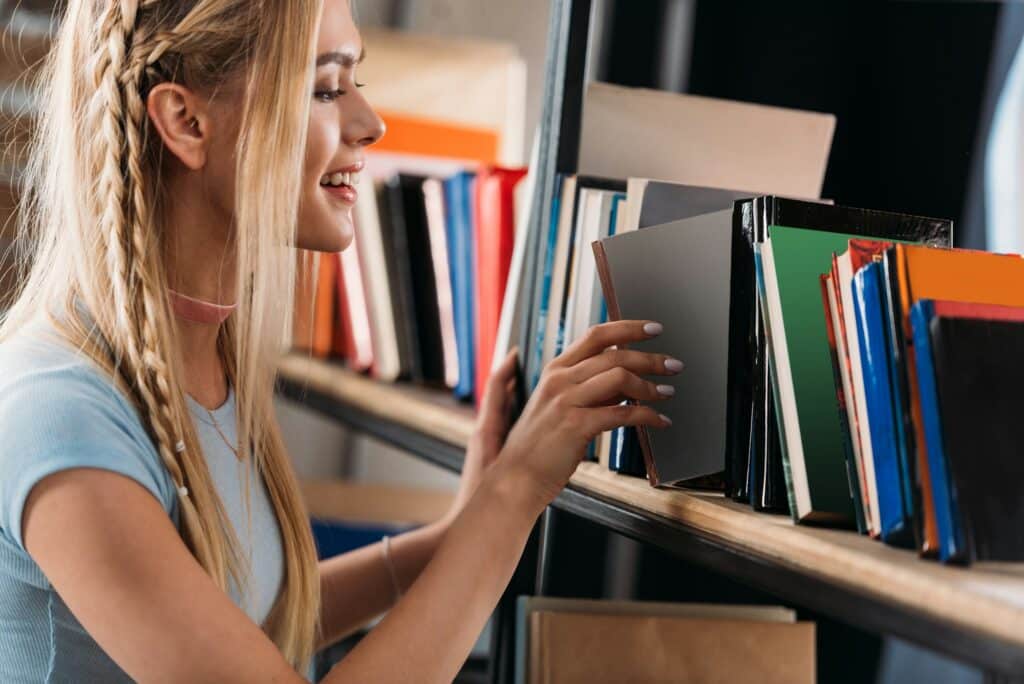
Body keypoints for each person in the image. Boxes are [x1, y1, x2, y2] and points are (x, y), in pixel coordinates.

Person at [0, 0, 680, 681]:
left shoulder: (201, 355)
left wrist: (457, 531)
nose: (370, 123)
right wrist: (516, 493)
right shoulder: (59, 415)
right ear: (185, 121)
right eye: (326, 88)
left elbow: (241, 624)